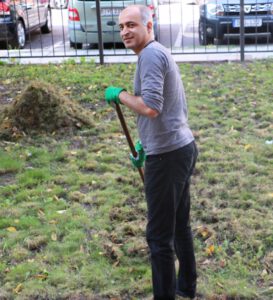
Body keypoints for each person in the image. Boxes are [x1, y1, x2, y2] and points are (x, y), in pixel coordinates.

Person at [105, 5, 198, 299]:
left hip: (169, 157)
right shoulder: (156, 52)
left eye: (131, 25)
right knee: (179, 224)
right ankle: (186, 288)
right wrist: (145, 144)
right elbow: (167, 109)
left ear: (148, 25)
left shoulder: (150, 55)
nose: (124, 32)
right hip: (180, 147)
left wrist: (119, 94)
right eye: (121, 27)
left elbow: (151, 107)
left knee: (158, 237)